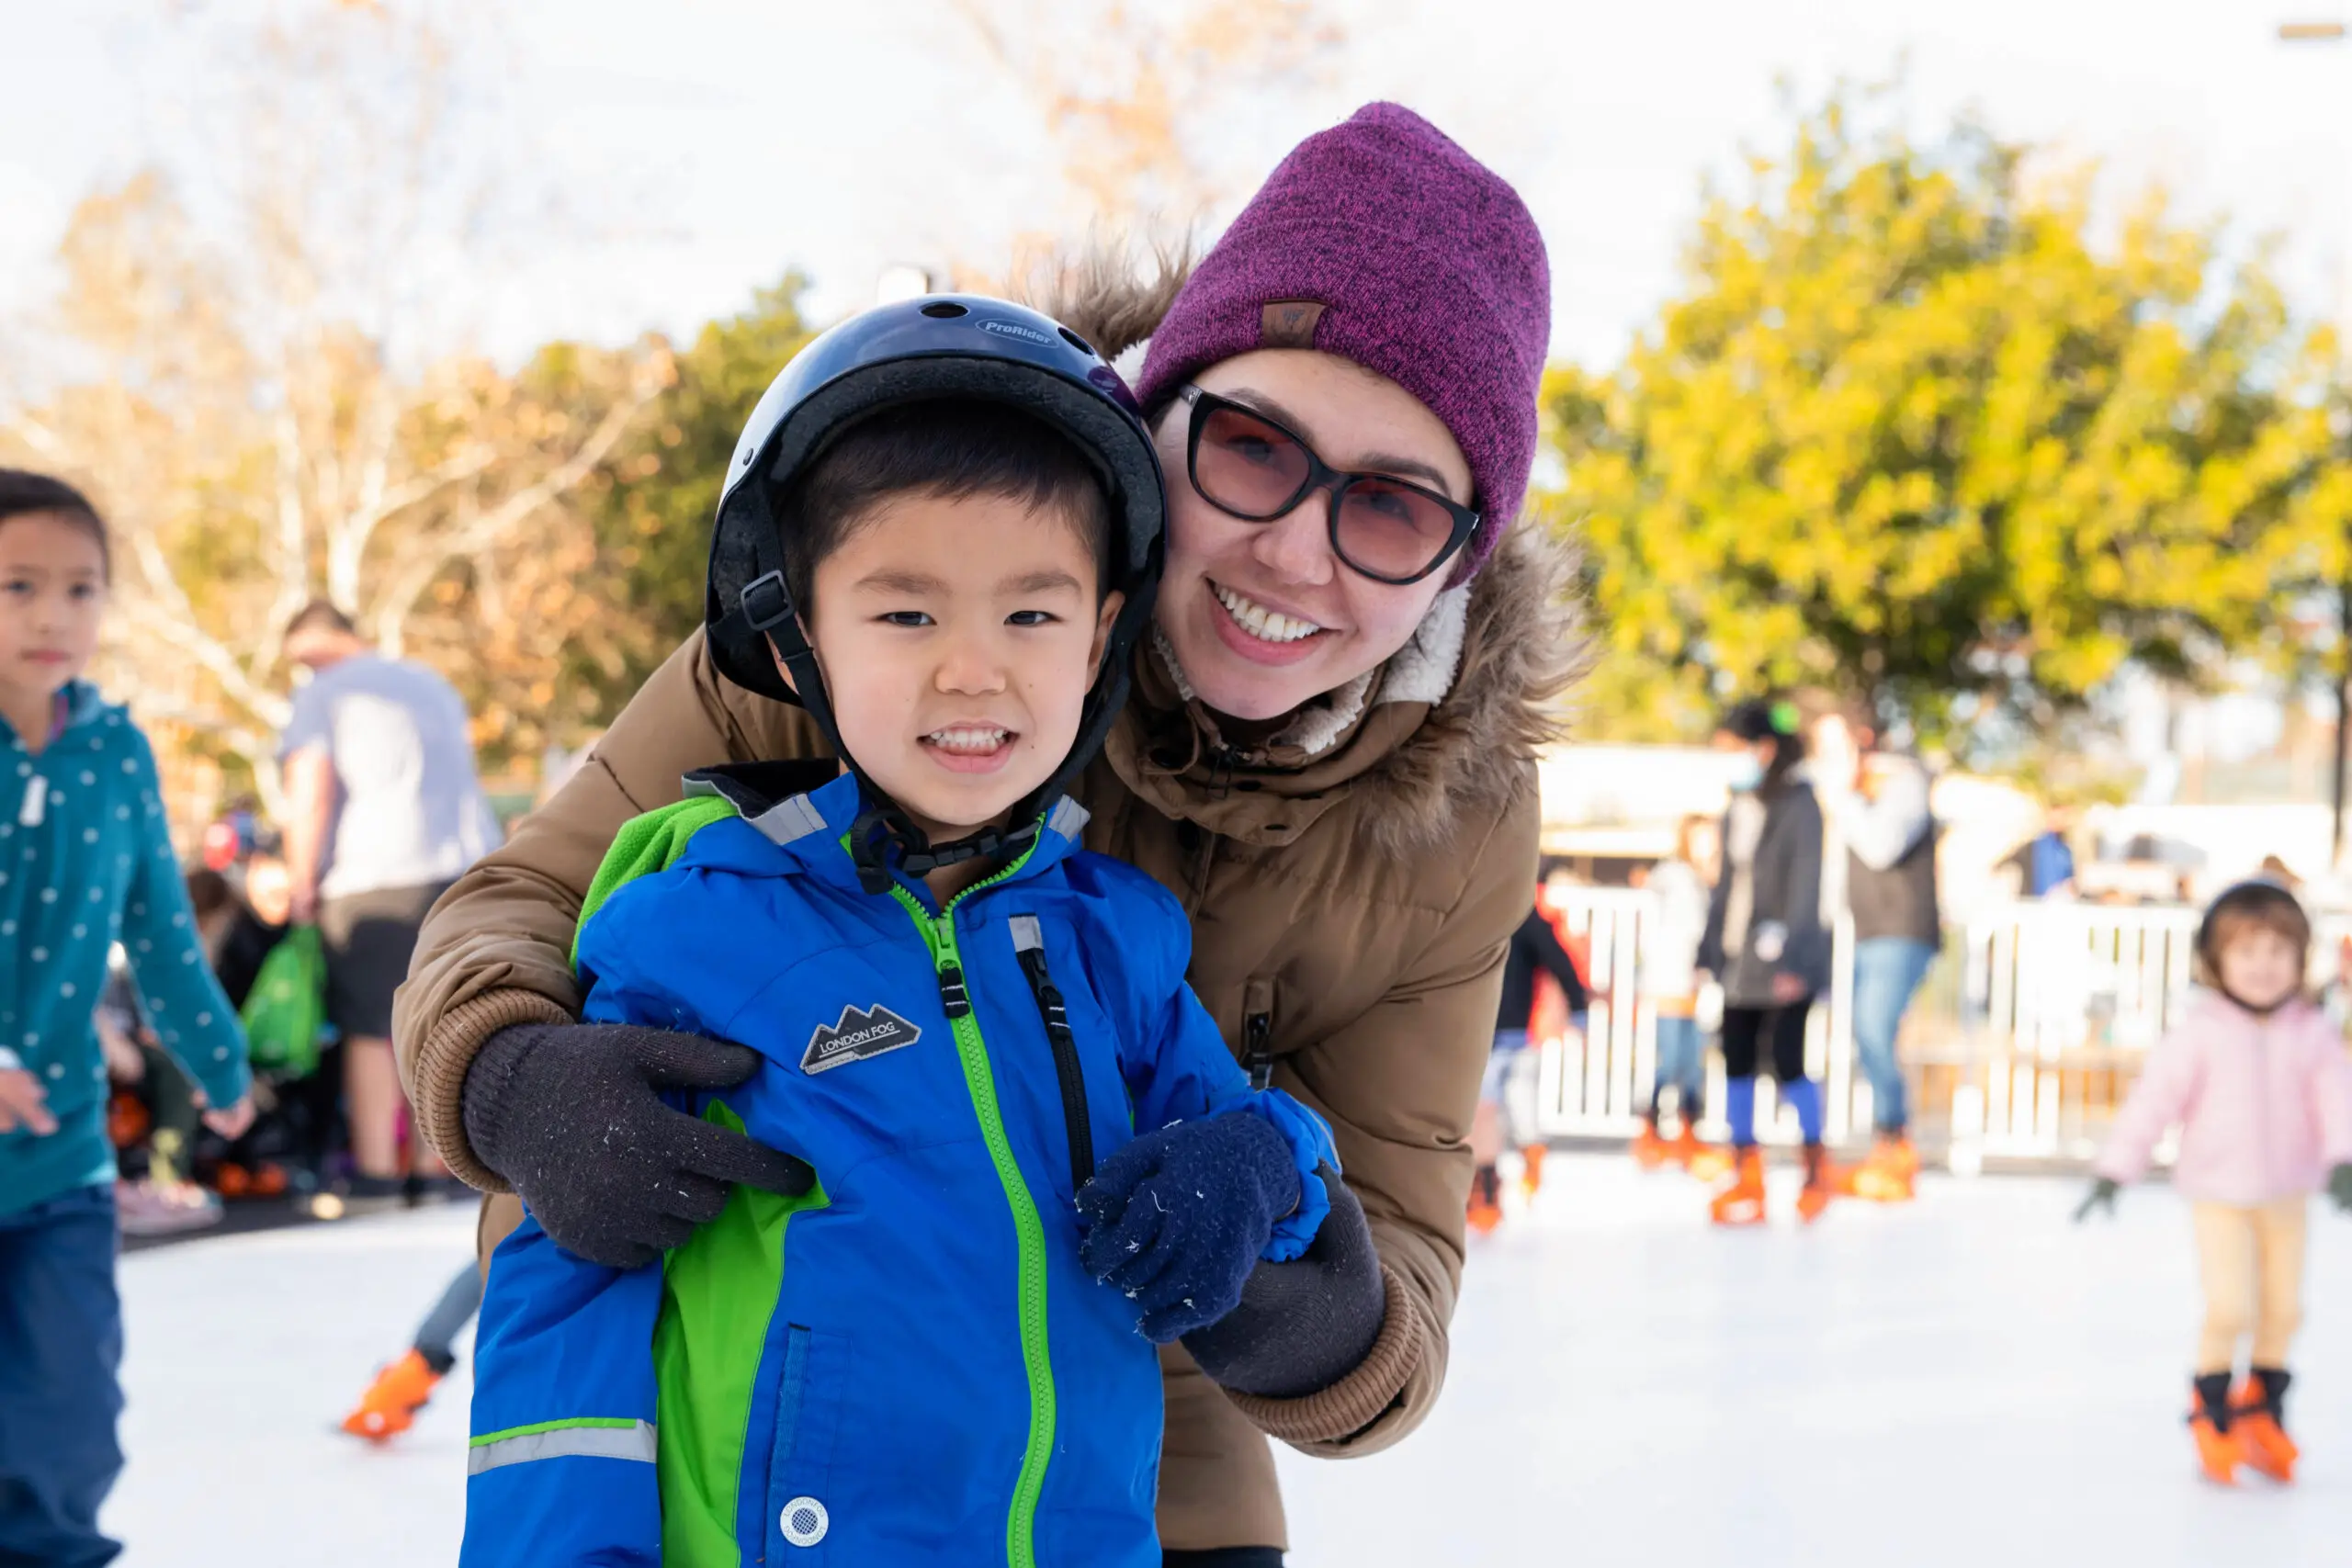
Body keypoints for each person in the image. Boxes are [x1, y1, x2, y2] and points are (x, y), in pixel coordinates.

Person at [397, 102, 1568, 1564]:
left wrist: (1288, 1269)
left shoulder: (1455, 821)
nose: (1293, 550)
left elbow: (1399, 1268)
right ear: (1159, 417)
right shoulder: (889, 575)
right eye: (1255, 448)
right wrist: (516, 1078)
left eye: (1391, 508)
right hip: (767, 1414)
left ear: (1459, 560)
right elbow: (519, 903)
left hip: (1127, 1440)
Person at [459, 304, 1339, 1566]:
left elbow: (1248, 1144)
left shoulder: (1122, 945)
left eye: (1030, 617)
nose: (973, 671)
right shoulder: (693, 932)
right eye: (906, 616)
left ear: (1099, 636)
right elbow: (570, 1287)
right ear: (799, 636)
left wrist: (1264, 1160)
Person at [0, 469, 254, 1567]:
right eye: (17, 586)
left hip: (58, 1156)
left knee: (67, 1418)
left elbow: (158, 927)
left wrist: (220, 1065)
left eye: (80, 588)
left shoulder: (114, 752)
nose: (52, 615)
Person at [2076, 881, 2352, 1486]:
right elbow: (2153, 1102)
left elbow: (2338, 1098)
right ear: (2216, 960)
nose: (2263, 965)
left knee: (2285, 1308)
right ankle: (2212, 1406)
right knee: (2231, 1306)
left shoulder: (2311, 1030)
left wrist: (2343, 1157)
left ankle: (2263, 1408)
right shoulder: (2200, 1031)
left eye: (2278, 951)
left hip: (2288, 1193)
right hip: (2219, 1196)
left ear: (2300, 958)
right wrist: (2115, 1169)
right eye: (2247, 951)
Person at [278, 597, 499, 1194]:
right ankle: (437, 1169)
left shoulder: (324, 692)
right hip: (459, 868)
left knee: (372, 1028)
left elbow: (310, 791)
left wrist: (300, 882)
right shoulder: (431, 683)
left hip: (373, 875)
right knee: (439, 1017)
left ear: (316, 645)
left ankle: (378, 1173)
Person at [1695, 698, 1837, 1225]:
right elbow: (1726, 885)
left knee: (1786, 1057)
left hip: (1783, 954)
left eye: (1735, 749)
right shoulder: (1737, 805)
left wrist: (1793, 959)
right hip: (1738, 955)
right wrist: (1707, 951)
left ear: (1764, 748)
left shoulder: (1800, 803)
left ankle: (1814, 1166)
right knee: (1735, 1056)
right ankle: (1745, 1171)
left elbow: (1806, 883)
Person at [1805, 696, 1939, 1202]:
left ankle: (1895, 1143)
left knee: (1873, 1028)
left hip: (1900, 929)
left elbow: (1882, 847)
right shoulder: (1847, 791)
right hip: (1861, 933)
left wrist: (1842, 798)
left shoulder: (1901, 781)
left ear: (1861, 740)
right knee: (1862, 1034)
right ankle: (1885, 1141)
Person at [1468, 900, 1589, 1231]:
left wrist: (1578, 1005)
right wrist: (1578, 1005)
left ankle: (1486, 1189)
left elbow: (1554, 955)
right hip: (1498, 1026)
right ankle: (1493, 1181)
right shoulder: (1515, 907)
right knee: (1496, 1106)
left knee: (1486, 1108)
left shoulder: (1506, 908)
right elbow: (1555, 955)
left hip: (1496, 1027)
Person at [1633, 813, 1717, 1169]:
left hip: (1697, 983)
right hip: (1671, 980)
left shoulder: (1704, 880)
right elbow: (1672, 930)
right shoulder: (1674, 877)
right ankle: (1651, 1130)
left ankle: (1688, 1132)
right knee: (1669, 1060)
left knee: (1693, 1062)